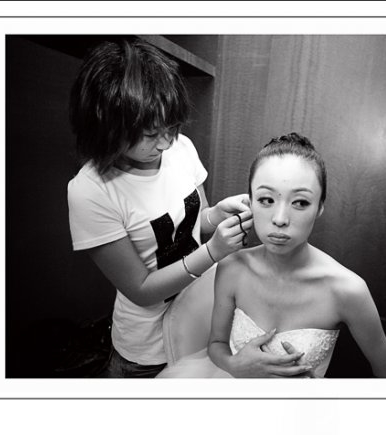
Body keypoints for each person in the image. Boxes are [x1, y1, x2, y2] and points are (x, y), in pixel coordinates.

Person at [67, 38, 253, 377]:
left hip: (199, 320)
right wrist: (213, 252)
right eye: (151, 134)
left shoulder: (181, 148)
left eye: (171, 128)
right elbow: (141, 290)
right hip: (146, 351)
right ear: (108, 124)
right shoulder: (90, 191)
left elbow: (196, 224)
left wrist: (217, 215)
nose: (166, 142)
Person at [158, 133, 386, 378]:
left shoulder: (348, 290)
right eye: (266, 200)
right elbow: (216, 345)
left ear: (319, 207)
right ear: (250, 202)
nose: (280, 219)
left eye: (300, 203)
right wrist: (234, 365)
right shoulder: (232, 267)